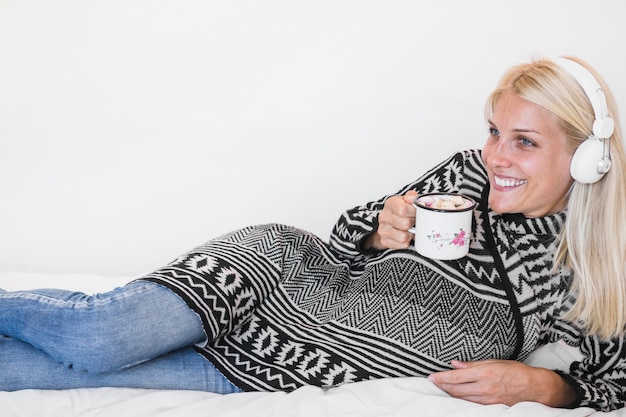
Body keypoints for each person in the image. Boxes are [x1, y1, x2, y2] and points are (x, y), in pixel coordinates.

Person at [1, 55, 625, 412]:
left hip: (289, 365)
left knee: (64, 373)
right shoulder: (465, 174)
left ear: (584, 157)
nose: (495, 156)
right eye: (493, 131)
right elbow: (345, 231)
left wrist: (547, 385)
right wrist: (382, 226)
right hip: (272, 276)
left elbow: (615, 378)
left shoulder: (599, 267)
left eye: (524, 142)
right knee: (101, 335)